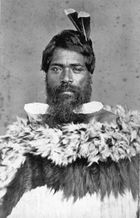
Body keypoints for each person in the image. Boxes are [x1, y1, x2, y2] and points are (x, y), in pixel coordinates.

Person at [0, 9, 139, 218]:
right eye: (56, 68)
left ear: (89, 74)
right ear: (45, 75)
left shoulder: (120, 140)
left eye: (76, 68)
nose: (66, 77)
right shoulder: (19, 146)